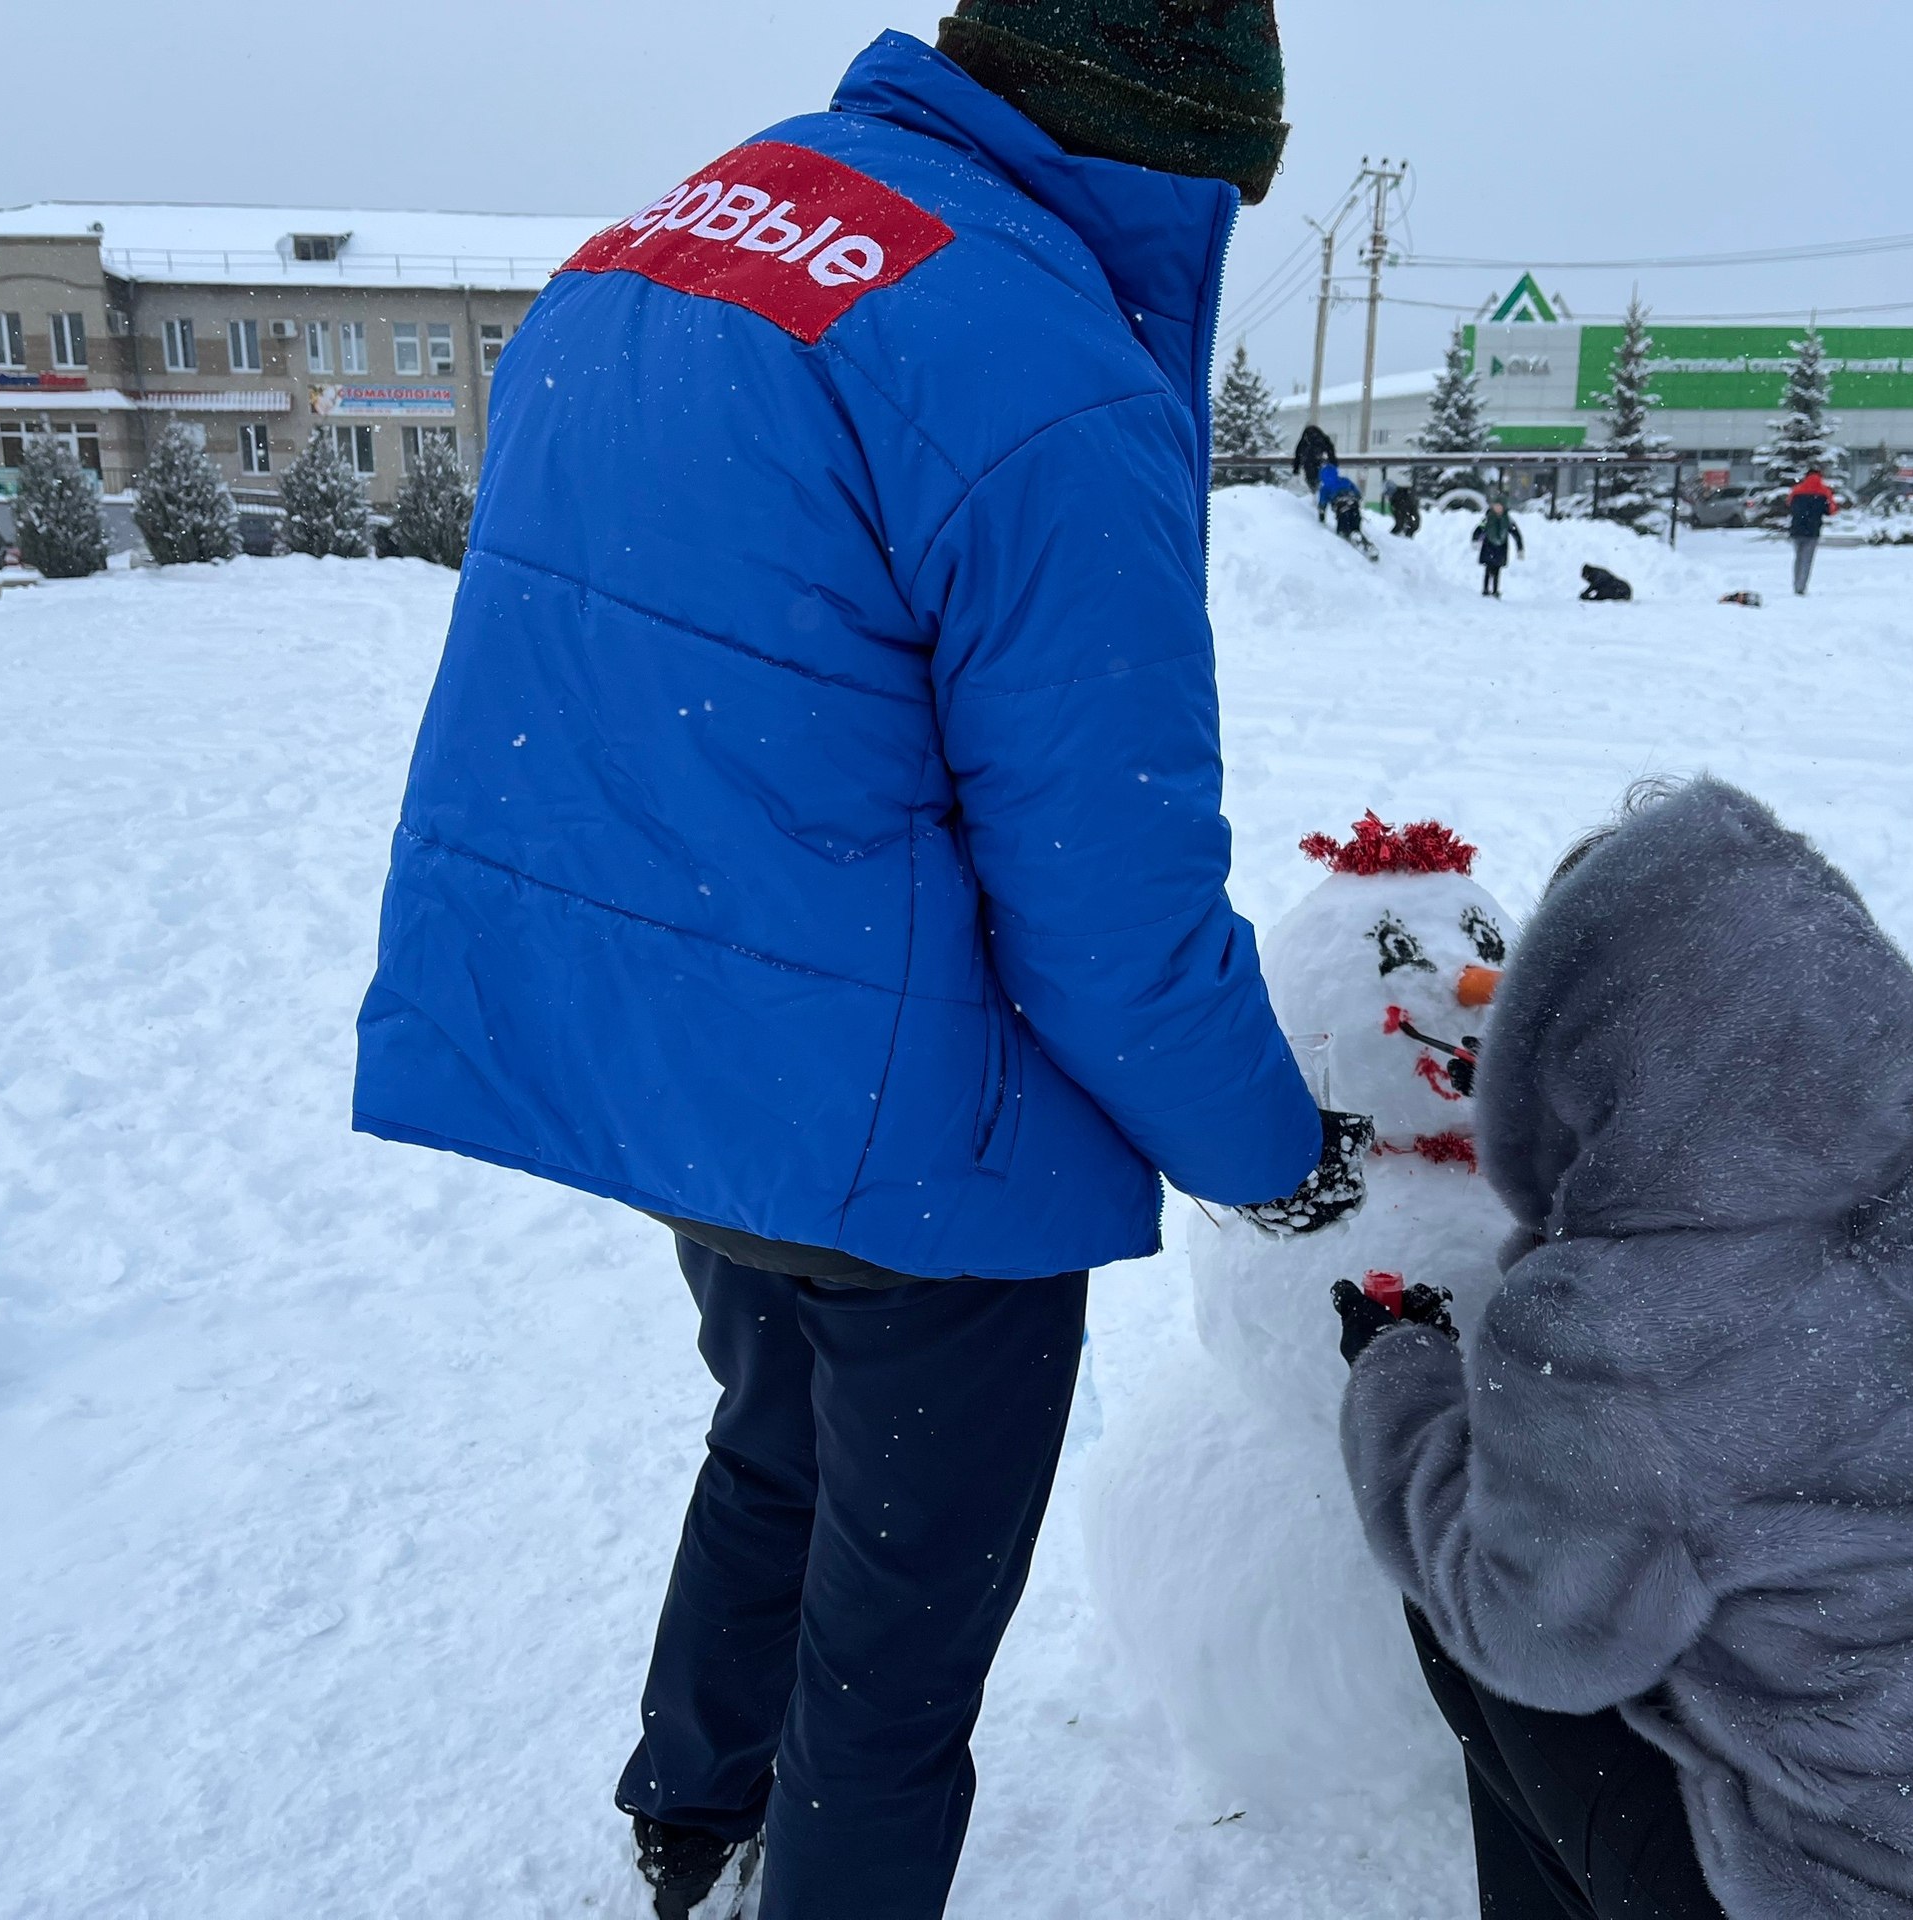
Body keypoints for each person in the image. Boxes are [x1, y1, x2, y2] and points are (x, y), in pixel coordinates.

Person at [351, 9, 1329, 1917]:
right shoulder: (1047, 365)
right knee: (899, 1643)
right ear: (1172, 148)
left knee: (775, 1439)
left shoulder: (674, 238)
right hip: (907, 1144)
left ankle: (692, 1813)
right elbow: (1107, 901)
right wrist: (1272, 1157)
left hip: (675, 1070)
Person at [1335, 778, 1913, 1920]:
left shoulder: (1608, 1319)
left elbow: (1540, 1639)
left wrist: (1399, 1380)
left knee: (1460, 1596)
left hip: (1873, 1890)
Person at [1785, 467, 1836, 594]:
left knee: (1798, 558)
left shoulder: (1797, 490)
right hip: (1812, 531)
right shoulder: (1824, 491)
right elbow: (1831, 510)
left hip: (1796, 529)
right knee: (1807, 560)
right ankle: (1801, 587)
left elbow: (1789, 505)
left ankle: (1796, 584)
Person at [1473, 498, 1524, 597]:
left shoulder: (1508, 520)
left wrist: (1520, 548)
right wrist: (1475, 539)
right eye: (1495, 506)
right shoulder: (1488, 518)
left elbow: (1516, 534)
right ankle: (1485, 589)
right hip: (1488, 546)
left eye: (1499, 506)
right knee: (1488, 568)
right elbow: (1479, 529)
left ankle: (1495, 590)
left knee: (1497, 569)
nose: (1497, 508)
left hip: (1501, 548)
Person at [1294, 420, 1338, 497]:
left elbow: (1298, 452)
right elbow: (1330, 447)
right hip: (1316, 461)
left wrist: (1296, 468)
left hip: (1308, 462)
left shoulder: (1305, 438)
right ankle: (1315, 491)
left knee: (1312, 479)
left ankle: (1313, 491)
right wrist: (1333, 461)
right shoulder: (1321, 437)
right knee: (1316, 479)